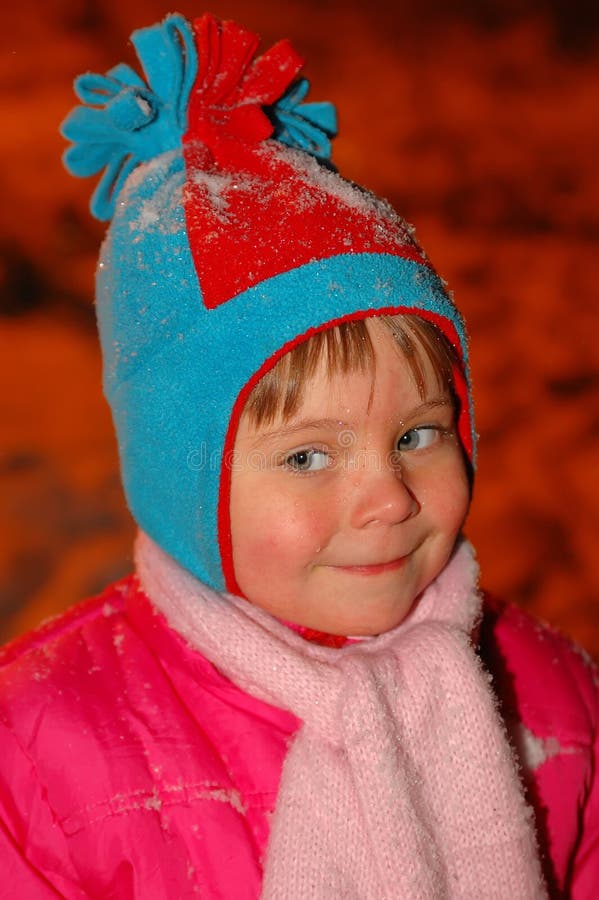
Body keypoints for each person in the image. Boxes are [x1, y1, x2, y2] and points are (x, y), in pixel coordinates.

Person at [0, 11, 596, 898]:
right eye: (309, 457)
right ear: (179, 478)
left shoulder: (554, 703)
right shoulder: (42, 744)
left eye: (416, 435)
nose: (389, 498)